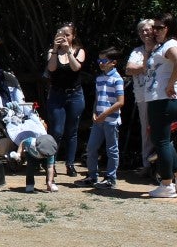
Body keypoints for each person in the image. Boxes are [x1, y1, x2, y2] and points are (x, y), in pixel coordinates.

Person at [144, 13, 177, 199]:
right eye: (154, 27)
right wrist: (149, 48)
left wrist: (171, 83)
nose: (154, 31)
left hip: (164, 99)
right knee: (163, 139)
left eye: (159, 27)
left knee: (161, 141)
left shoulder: (171, 45)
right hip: (158, 98)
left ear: (169, 28)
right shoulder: (160, 47)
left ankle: (166, 184)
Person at [75, 47, 124, 190]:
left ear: (113, 62)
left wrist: (104, 114)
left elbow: (120, 102)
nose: (101, 63)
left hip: (111, 120)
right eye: (99, 60)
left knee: (112, 150)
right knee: (91, 148)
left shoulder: (117, 79)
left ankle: (111, 178)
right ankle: (92, 176)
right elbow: (98, 98)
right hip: (98, 120)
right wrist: (94, 113)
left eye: (104, 61)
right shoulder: (100, 78)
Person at [45, 23, 86, 178]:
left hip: (75, 95)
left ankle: (70, 164)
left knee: (72, 131)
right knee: (56, 130)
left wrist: (68, 51)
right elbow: (52, 69)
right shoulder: (52, 51)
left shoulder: (79, 51)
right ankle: (51, 164)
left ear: (73, 36)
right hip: (57, 95)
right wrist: (56, 50)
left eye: (67, 35)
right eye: (61, 34)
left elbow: (76, 68)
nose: (64, 38)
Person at [124, 19, 157, 175]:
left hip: (159, 95)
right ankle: (147, 164)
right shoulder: (137, 51)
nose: (145, 33)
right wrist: (143, 66)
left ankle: (162, 164)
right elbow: (129, 69)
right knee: (146, 130)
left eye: (148, 29)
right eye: (141, 31)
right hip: (142, 95)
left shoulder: (162, 48)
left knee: (160, 130)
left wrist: (142, 67)